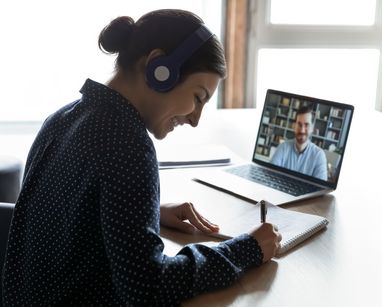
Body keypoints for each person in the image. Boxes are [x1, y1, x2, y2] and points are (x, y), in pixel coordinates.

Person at [2, 9, 282, 306]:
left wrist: (140, 214)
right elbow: (147, 287)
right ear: (159, 68)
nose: (196, 119)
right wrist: (246, 249)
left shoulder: (63, 118)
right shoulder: (127, 142)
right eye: (198, 97)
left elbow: (62, 212)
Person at [270, 105, 328, 180]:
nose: (302, 130)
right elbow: (270, 175)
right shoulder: (283, 147)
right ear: (294, 126)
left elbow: (320, 188)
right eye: (299, 124)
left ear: (312, 128)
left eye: (306, 125)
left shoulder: (319, 155)